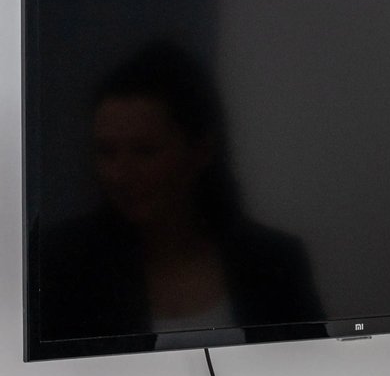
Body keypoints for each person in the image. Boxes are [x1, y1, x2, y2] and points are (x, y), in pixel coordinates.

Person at [37, 41, 325, 346]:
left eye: (145, 151)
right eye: (106, 152)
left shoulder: (274, 262)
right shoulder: (64, 266)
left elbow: (313, 361)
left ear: (200, 152)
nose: (120, 174)